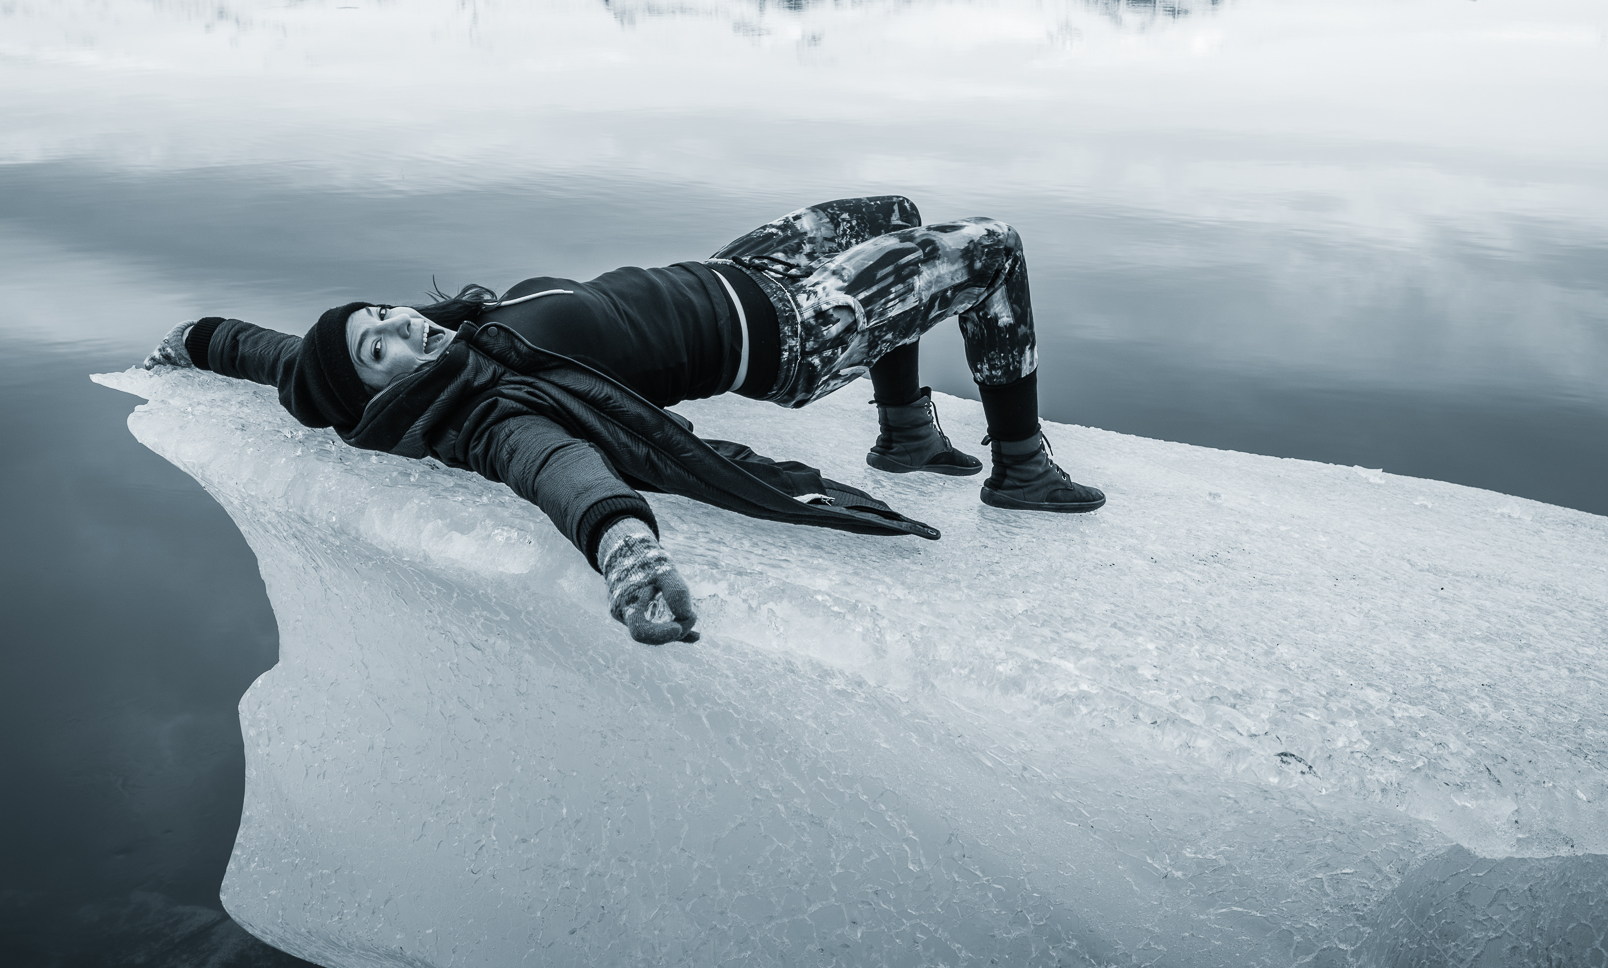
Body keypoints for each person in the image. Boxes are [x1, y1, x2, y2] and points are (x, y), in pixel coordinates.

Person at [141, 196, 1102, 647]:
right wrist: (628, 552)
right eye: (376, 349)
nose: (396, 324)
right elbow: (557, 467)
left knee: (894, 209)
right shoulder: (484, 407)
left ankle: (906, 431)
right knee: (991, 249)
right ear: (379, 396)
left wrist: (199, 336)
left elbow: (281, 357)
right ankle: (1020, 465)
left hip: (734, 271)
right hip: (795, 331)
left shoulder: (454, 338)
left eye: (378, 314)